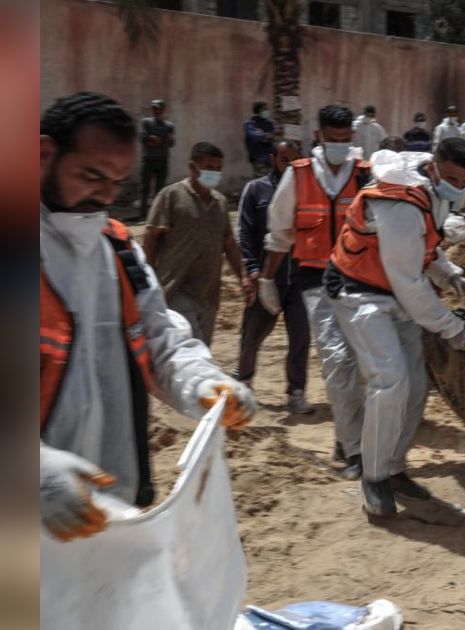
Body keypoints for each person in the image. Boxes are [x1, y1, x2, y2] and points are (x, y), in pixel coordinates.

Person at [39, 92, 256, 543]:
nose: (104, 195)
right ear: (42, 154)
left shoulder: (117, 251)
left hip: (107, 510)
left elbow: (160, 338)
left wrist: (201, 382)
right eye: (92, 176)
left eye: (117, 182)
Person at [325, 140, 465, 516]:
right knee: (390, 381)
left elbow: (424, 248)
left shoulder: (428, 192)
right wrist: (450, 326)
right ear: (435, 168)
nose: (458, 186)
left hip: (393, 289)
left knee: (416, 384)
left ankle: (393, 466)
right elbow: (408, 280)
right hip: (360, 292)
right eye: (453, 178)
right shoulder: (401, 204)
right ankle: (373, 476)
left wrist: (452, 275)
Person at [261, 104, 374, 479]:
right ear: (319, 137)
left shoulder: (365, 176)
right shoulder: (298, 175)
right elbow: (279, 234)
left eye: (345, 140)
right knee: (336, 362)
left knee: (361, 365)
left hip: (360, 282)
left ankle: (346, 435)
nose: (339, 146)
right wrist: (266, 280)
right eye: (333, 140)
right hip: (315, 283)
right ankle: (354, 451)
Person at [235, 140, 314, 414]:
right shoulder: (257, 190)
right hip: (266, 277)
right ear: (273, 159)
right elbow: (244, 233)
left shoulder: (310, 191)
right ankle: (243, 383)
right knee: (252, 335)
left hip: (299, 280)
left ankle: (296, 392)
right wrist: (253, 270)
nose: (289, 165)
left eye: (294, 159)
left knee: (301, 336)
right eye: (284, 159)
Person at [142, 142, 245, 345]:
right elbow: (151, 235)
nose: (214, 173)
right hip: (176, 289)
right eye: (209, 168)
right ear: (192, 167)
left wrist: (244, 277)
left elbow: (228, 242)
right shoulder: (171, 196)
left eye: (218, 168)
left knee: (202, 351)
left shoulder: (220, 202)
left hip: (208, 294)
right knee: (191, 348)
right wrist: (148, 277)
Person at [138, 99, 174, 220]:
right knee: (145, 189)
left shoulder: (169, 126)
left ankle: (157, 216)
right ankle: (143, 215)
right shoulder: (146, 122)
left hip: (162, 160)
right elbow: (143, 138)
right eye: (154, 108)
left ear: (163, 110)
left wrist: (158, 140)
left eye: (158, 108)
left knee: (160, 190)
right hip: (148, 160)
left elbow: (171, 142)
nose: (156, 111)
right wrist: (153, 139)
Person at [244, 101, 276, 177]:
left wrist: (265, 137)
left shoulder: (269, 123)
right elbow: (254, 136)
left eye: (267, 109)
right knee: (261, 179)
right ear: (258, 110)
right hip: (258, 157)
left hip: (270, 156)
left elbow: (273, 136)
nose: (267, 111)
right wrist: (265, 136)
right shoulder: (250, 123)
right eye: (264, 109)